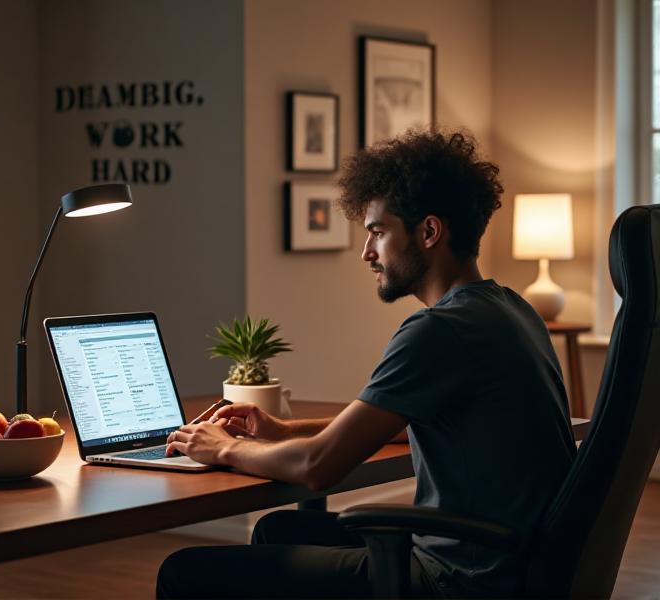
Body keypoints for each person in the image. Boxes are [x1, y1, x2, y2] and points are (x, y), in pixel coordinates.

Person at [156, 130, 576, 599]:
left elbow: (318, 468)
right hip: (512, 564)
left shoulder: (440, 330)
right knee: (280, 530)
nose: (366, 252)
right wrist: (283, 429)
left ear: (429, 231)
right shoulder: (509, 309)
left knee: (183, 571)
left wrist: (221, 448)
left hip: (458, 577)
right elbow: (396, 421)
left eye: (377, 232)